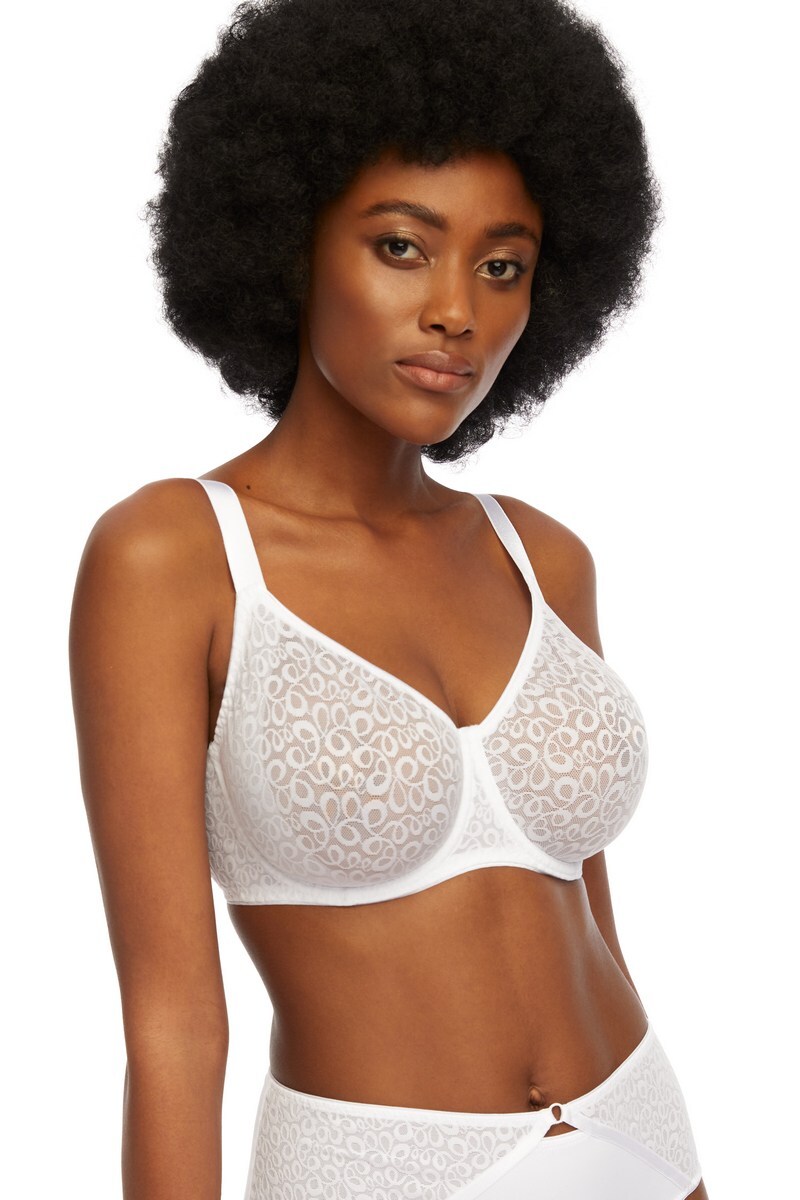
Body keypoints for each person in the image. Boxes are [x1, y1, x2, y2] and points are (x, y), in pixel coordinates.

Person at [68, 0, 708, 1196]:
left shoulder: (542, 558)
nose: (456, 310)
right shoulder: (172, 556)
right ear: (289, 240)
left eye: (501, 266)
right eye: (402, 247)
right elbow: (172, 1024)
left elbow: (588, 917)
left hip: (636, 1136)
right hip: (377, 1165)